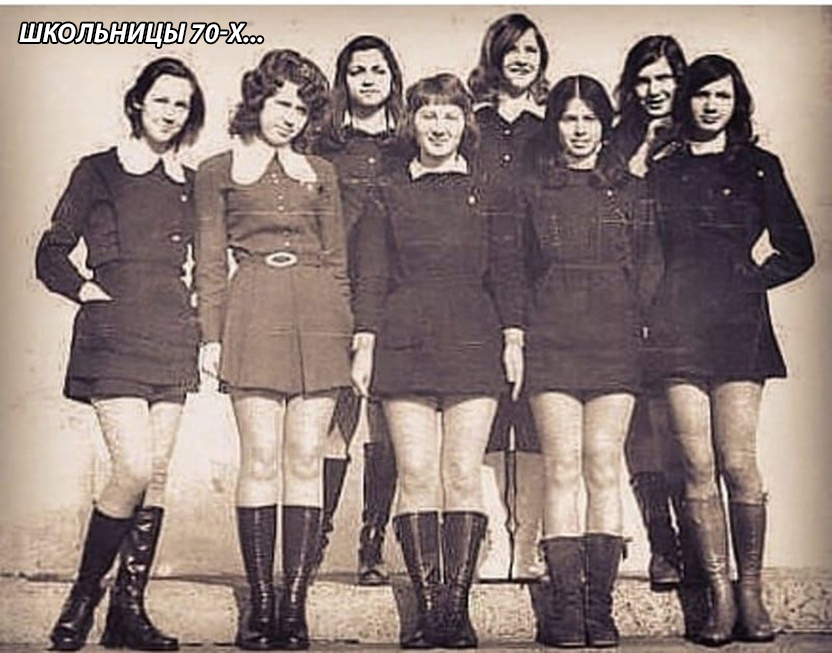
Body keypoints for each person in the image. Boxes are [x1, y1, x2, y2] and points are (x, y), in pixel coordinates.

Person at [36, 56, 205, 652]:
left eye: (182, 104)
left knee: (154, 474)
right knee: (132, 468)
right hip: (112, 335)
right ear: (138, 102)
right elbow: (51, 252)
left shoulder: (192, 183)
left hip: (171, 335)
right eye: (162, 100)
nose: (170, 112)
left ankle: (127, 615)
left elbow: (210, 260)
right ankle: (83, 600)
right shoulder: (97, 171)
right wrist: (86, 290)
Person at [350, 73, 525, 649]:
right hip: (404, 339)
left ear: (465, 123)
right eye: (428, 115)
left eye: (450, 115)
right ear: (412, 123)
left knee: (461, 474)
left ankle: (457, 611)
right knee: (418, 474)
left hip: (473, 339)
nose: (439, 126)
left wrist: (513, 340)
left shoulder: (490, 191)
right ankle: (429, 613)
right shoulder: (387, 191)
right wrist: (365, 344)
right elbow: (371, 274)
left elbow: (508, 273)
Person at [648, 54, 814, 646]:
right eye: (701, 94)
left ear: (736, 102)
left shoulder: (760, 167)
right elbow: (646, 250)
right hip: (676, 325)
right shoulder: (663, 171)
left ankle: (751, 595)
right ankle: (719, 599)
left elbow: (798, 249)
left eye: (722, 95)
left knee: (738, 462)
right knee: (696, 466)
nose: (711, 105)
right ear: (686, 100)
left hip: (739, 326)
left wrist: (749, 280)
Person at [194, 49, 350, 650]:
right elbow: (210, 262)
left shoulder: (321, 171)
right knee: (261, 460)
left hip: (318, 312)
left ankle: (295, 606)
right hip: (253, 307)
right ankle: (261, 606)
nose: (290, 116)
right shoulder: (217, 169)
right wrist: (212, 336)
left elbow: (337, 263)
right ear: (257, 100)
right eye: (281, 102)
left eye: (302, 109)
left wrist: (344, 334)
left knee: (306, 460)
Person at [523, 75, 662, 648]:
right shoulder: (533, 190)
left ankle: (598, 609)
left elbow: (651, 266)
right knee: (561, 467)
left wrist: (634, 321)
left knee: (603, 465)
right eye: (568, 118)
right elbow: (518, 269)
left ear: (605, 125)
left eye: (589, 119)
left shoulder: (632, 190)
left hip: (614, 341)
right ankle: (565, 608)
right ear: (554, 125)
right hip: (551, 340)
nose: (579, 130)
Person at [314, 34, 405, 586]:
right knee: (336, 419)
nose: (368, 80)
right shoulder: (324, 146)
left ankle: (372, 546)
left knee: (386, 425)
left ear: (393, 78)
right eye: (356, 71)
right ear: (342, 80)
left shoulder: (407, 146)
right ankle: (316, 541)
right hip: (338, 292)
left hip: (398, 294)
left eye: (377, 70)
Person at [467, 10, 550, 582]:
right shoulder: (473, 125)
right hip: (480, 285)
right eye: (512, 49)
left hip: (543, 288)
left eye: (531, 51)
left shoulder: (551, 127)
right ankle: (496, 541)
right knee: (490, 415)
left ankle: (530, 545)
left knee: (537, 416)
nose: (521, 59)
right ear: (494, 57)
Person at [607, 34, 690, 591]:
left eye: (664, 78)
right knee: (638, 429)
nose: (654, 89)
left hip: (680, 300)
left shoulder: (701, 134)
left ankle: (699, 545)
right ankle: (663, 544)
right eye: (644, 79)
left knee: (683, 431)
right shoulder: (616, 141)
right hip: (624, 298)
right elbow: (611, 211)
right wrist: (641, 154)